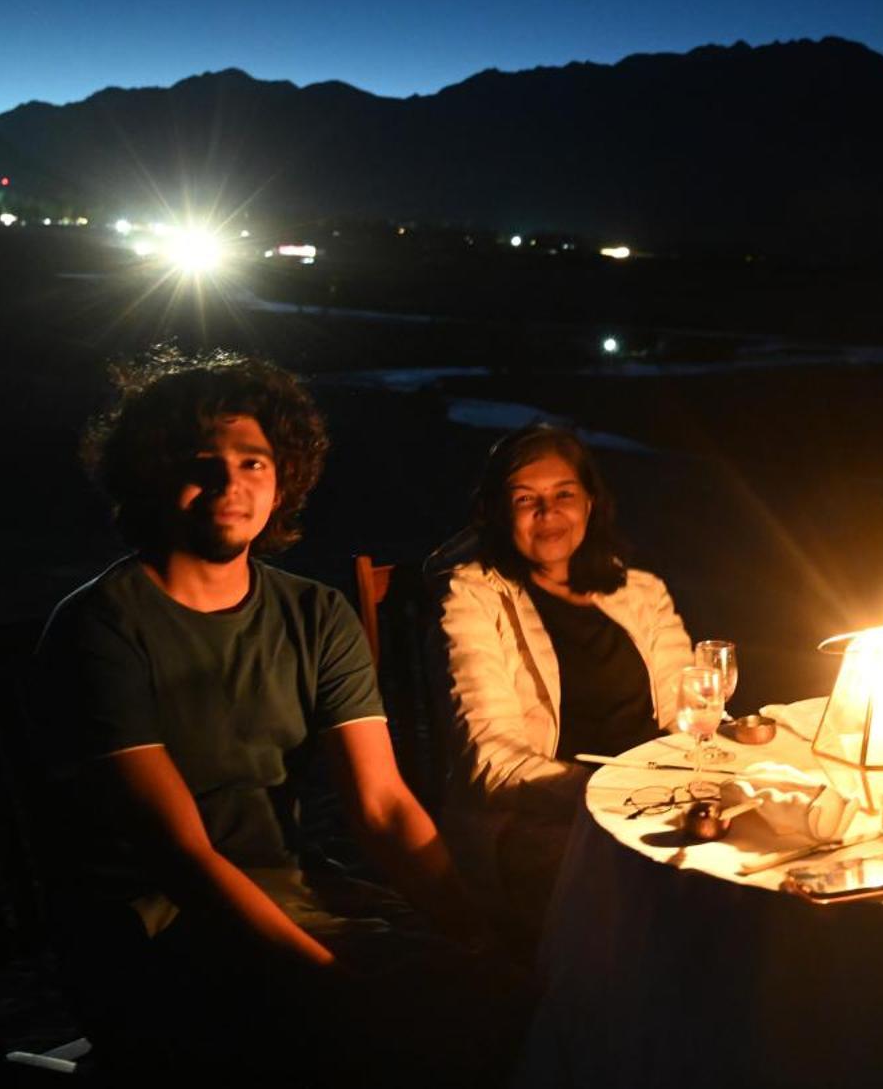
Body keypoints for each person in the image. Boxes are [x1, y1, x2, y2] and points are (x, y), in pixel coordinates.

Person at [35, 349, 526, 1087]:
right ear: (151, 472)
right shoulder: (102, 627)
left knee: (518, 996)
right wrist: (335, 982)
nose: (231, 483)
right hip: (157, 935)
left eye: (254, 462)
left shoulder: (316, 613)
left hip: (297, 896)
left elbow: (383, 805)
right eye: (204, 461)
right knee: (405, 1035)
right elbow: (184, 859)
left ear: (284, 477)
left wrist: (472, 927)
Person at [435, 424, 693, 918]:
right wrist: (619, 792)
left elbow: (691, 713)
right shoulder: (473, 597)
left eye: (563, 494)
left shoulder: (640, 592)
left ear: (590, 502)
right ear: (497, 512)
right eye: (525, 499)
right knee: (665, 894)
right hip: (547, 820)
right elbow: (493, 761)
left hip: (658, 802)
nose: (547, 512)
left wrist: (685, 784)